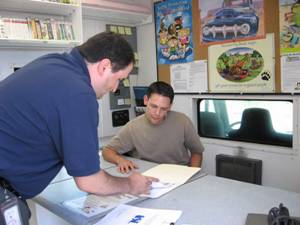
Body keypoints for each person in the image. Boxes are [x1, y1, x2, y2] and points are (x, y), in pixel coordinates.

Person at [0, 31, 157, 207]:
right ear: (104, 66)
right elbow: (89, 181)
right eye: (119, 79)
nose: (114, 88)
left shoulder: (53, 62)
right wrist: (131, 184)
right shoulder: (79, 93)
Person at [102, 81, 204, 174]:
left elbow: (197, 152)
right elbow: (107, 151)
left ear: (170, 106)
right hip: (147, 174)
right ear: (146, 100)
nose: (157, 113)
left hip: (178, 174)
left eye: (163, 109)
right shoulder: (133, 127)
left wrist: (191, 174)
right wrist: (120, 160)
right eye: (154, 106)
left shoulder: (182, 121)